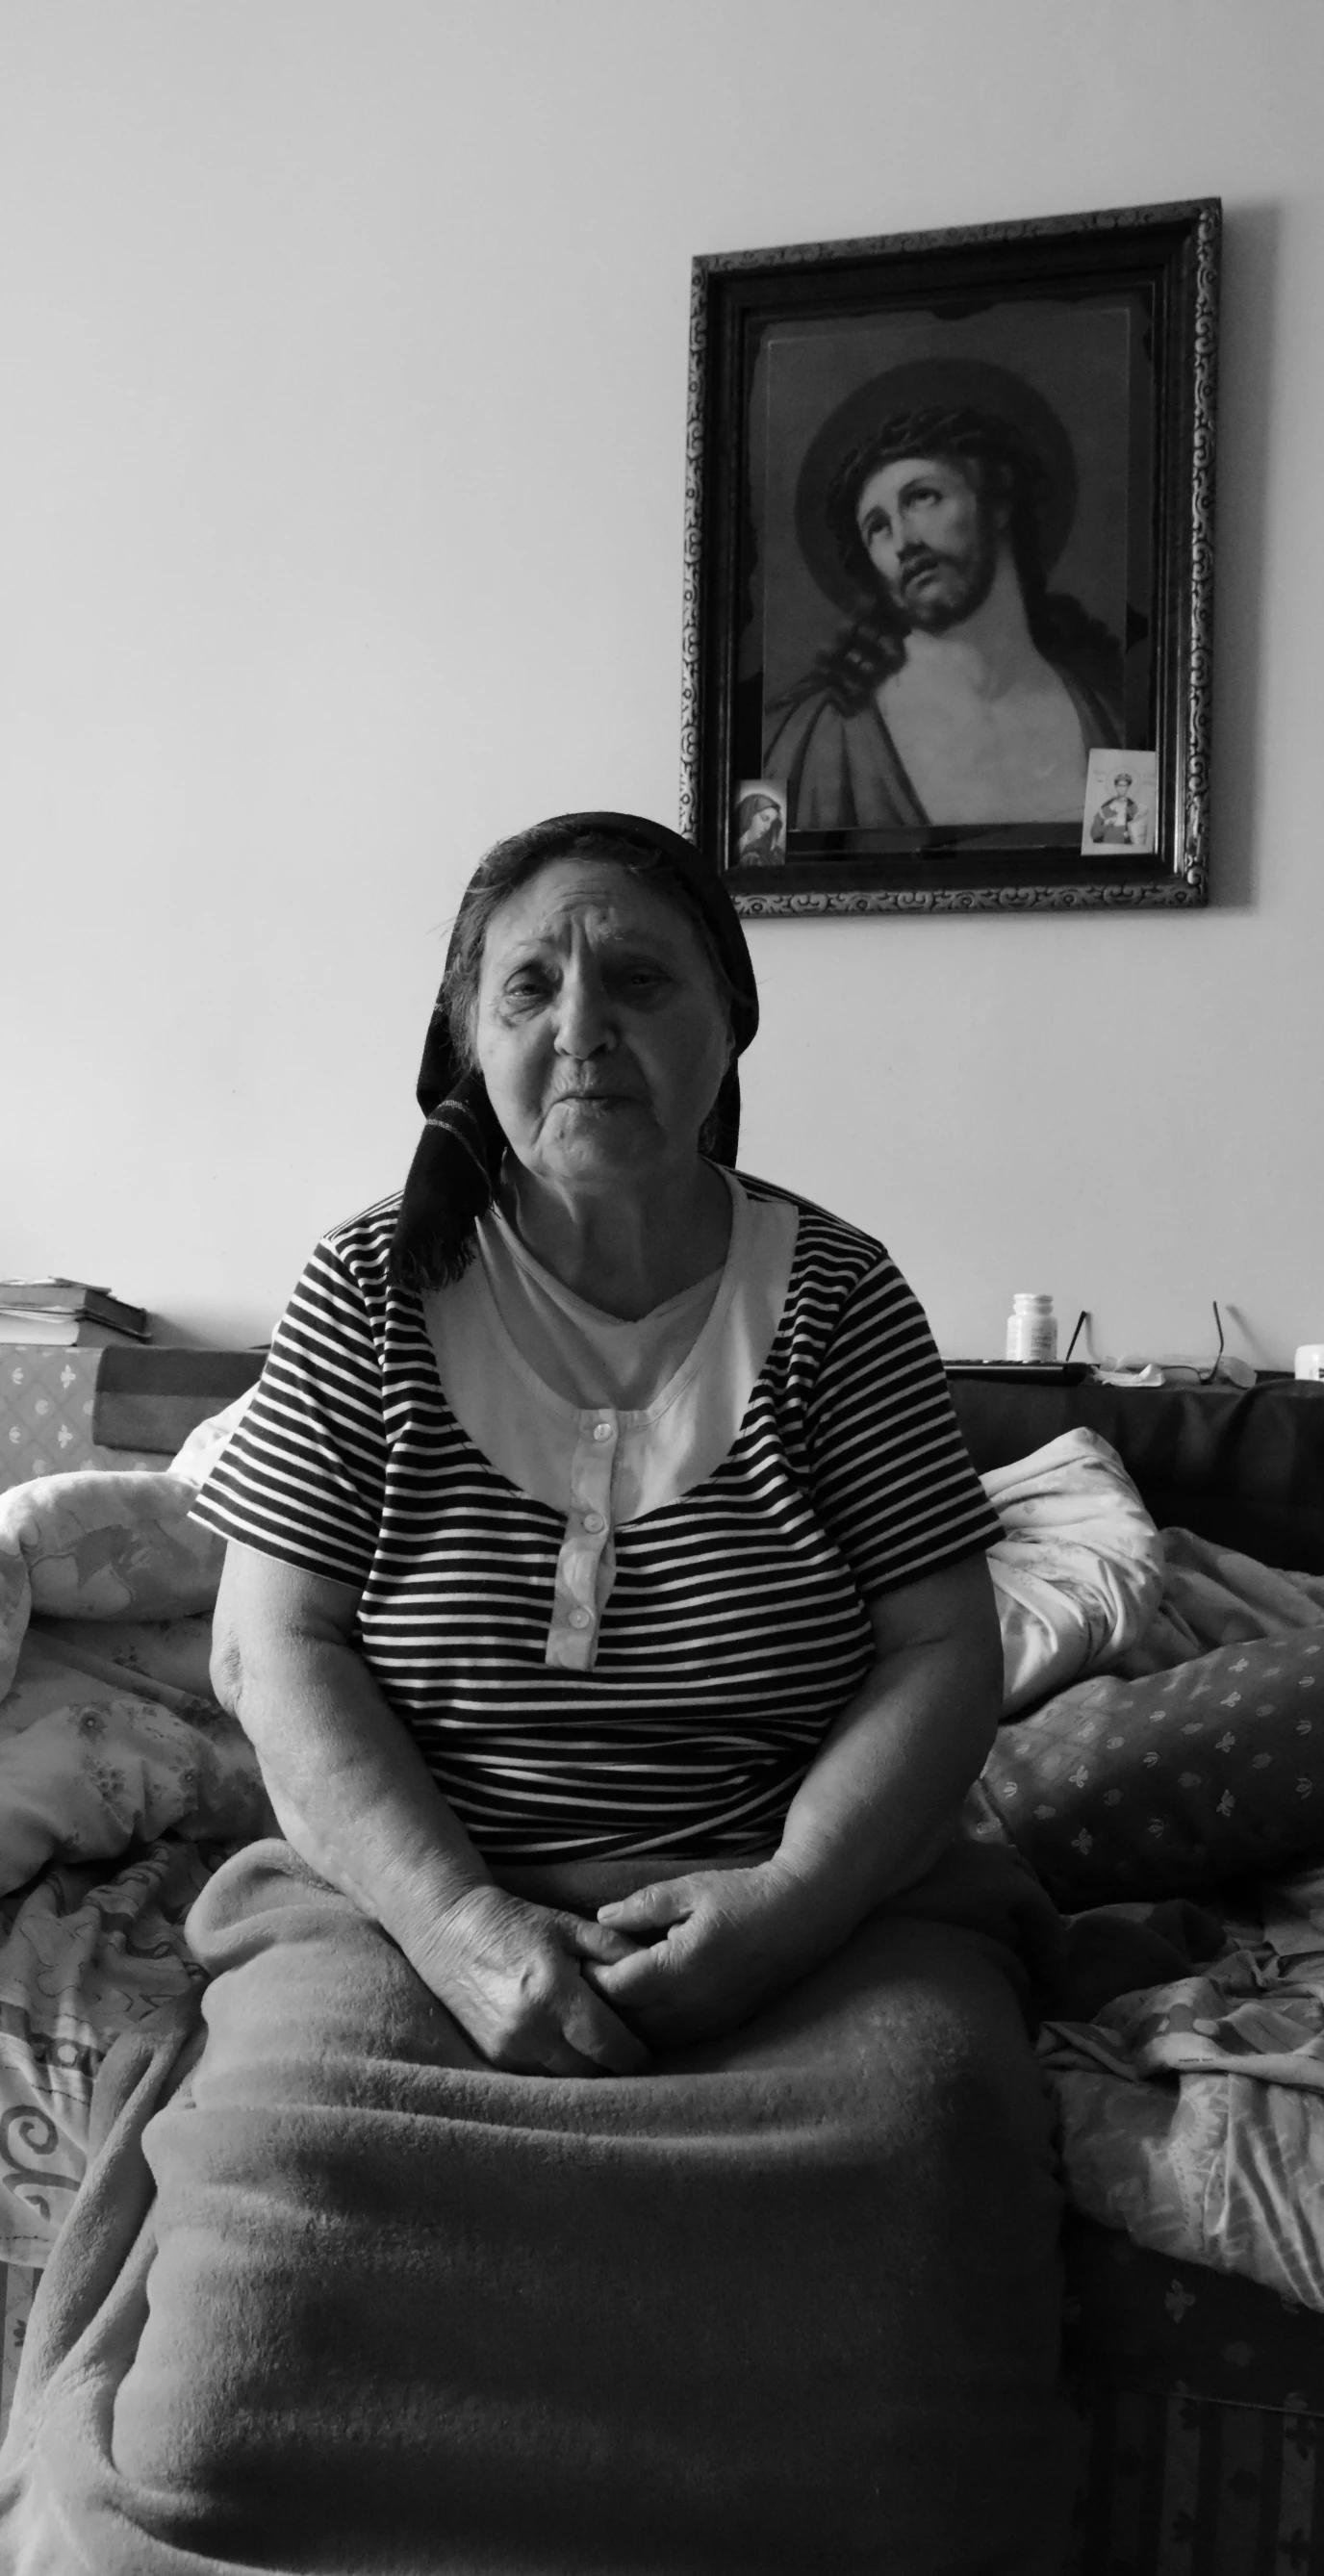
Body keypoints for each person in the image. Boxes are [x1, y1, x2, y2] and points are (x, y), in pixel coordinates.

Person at [13, 813, 1078, 2572]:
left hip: (795, 1901)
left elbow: (941, 1646)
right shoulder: (370, 1291)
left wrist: (792, 1902)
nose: (582, 1023)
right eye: (530, 983)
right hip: (409, 1896)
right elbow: (265, 1649)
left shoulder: (835, 1299)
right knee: (257, 2313)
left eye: (639, 977)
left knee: (917, 2171)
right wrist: (458, 1928)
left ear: (730, 1025)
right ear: (470, 1042)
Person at [766, 396, 1124, 833]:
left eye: (921, 498)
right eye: (877, 528)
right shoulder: (809, 738)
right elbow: (759, 869)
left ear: (996, 502)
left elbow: (1129, 858)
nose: (903, 541)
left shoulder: (1108, 713)